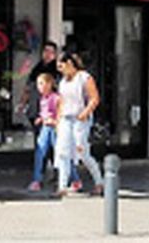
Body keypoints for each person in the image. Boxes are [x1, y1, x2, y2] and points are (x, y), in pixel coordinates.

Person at [55, 53, 103, 196]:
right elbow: (61, 102)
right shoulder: (63, 82)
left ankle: (99, 182)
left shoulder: (84, 77)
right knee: (63, 152)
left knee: (82, 152)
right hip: (66, 118)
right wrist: (58, 120)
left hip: (80, 118)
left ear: (69, 63)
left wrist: (86, 112)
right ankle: (62, 186)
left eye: (61, 66)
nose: (60, 70)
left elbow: (94, 98)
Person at [28, 72, 60, 192]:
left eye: (42, 83)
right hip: (46, 127)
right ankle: (37, 180)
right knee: (40, 152)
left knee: (60, 153)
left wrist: (55, 121)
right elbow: (44, 112)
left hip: (55, 128)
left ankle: (71, 179)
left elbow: (60, 113)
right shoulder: (42, 98)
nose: (39, 87)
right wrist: (41, 118)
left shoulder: (56, 97)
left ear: (50, 84)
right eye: (38, 84)